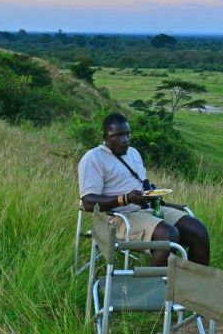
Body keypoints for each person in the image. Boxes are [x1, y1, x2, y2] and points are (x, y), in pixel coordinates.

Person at [78, 113, 210, 266]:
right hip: (117, 217)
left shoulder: (133, 153)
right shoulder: (93, 159)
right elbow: (88, 202)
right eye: (118, 135)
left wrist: (151, 192)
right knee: (167, 234)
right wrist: (125, 199)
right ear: (105, 136)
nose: (125, 140)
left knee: (198, 230)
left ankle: (194, 285)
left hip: (146, 209)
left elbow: (142, 181)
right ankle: (153, 289)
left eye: (127, 134)